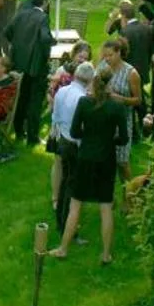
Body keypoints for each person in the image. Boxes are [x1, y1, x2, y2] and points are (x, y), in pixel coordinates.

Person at [54, 78, 127, 264]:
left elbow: (75, 131)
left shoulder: (84, 103)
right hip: (106, 159)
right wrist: (110, 140)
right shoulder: (117, 107)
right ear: (110, 85)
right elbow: (124, 138)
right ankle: (106, 254)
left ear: (94, 85)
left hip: (85, 157)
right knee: (106, 207)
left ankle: (63, 249)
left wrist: (90, 136)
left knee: (75, 205)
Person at [6, 0, 53, 146]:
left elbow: (8, 32)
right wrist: (47, 52)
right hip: (36, 67)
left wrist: (19, 47)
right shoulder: (42, 18)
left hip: (20, 64)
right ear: (45, 2)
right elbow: (45, 39)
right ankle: (32, 137)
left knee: (22, 98)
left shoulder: (21, 14)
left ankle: (19, 131)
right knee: (35, 101)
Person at [50, 63, 93, 231]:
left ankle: (61, 218)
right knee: (72, 186)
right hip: (74, 145)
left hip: (62, 140)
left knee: (64, 182)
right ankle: (67, 224)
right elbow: (82, 128)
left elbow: (56, 116)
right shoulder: (83, 99)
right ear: (89, 80)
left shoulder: (63, 90)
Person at [100, 37, 144, 181]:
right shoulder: (102, 67)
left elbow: (138, 100)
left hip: (123, 122)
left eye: (110, 55)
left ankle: (129, 196)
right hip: (105, 120)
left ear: (119, 53)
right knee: (105, 160)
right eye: (104, 55)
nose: (107, 58)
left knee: (122, 162)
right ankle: (107, 198)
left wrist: (122, 99)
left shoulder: (131, 73)